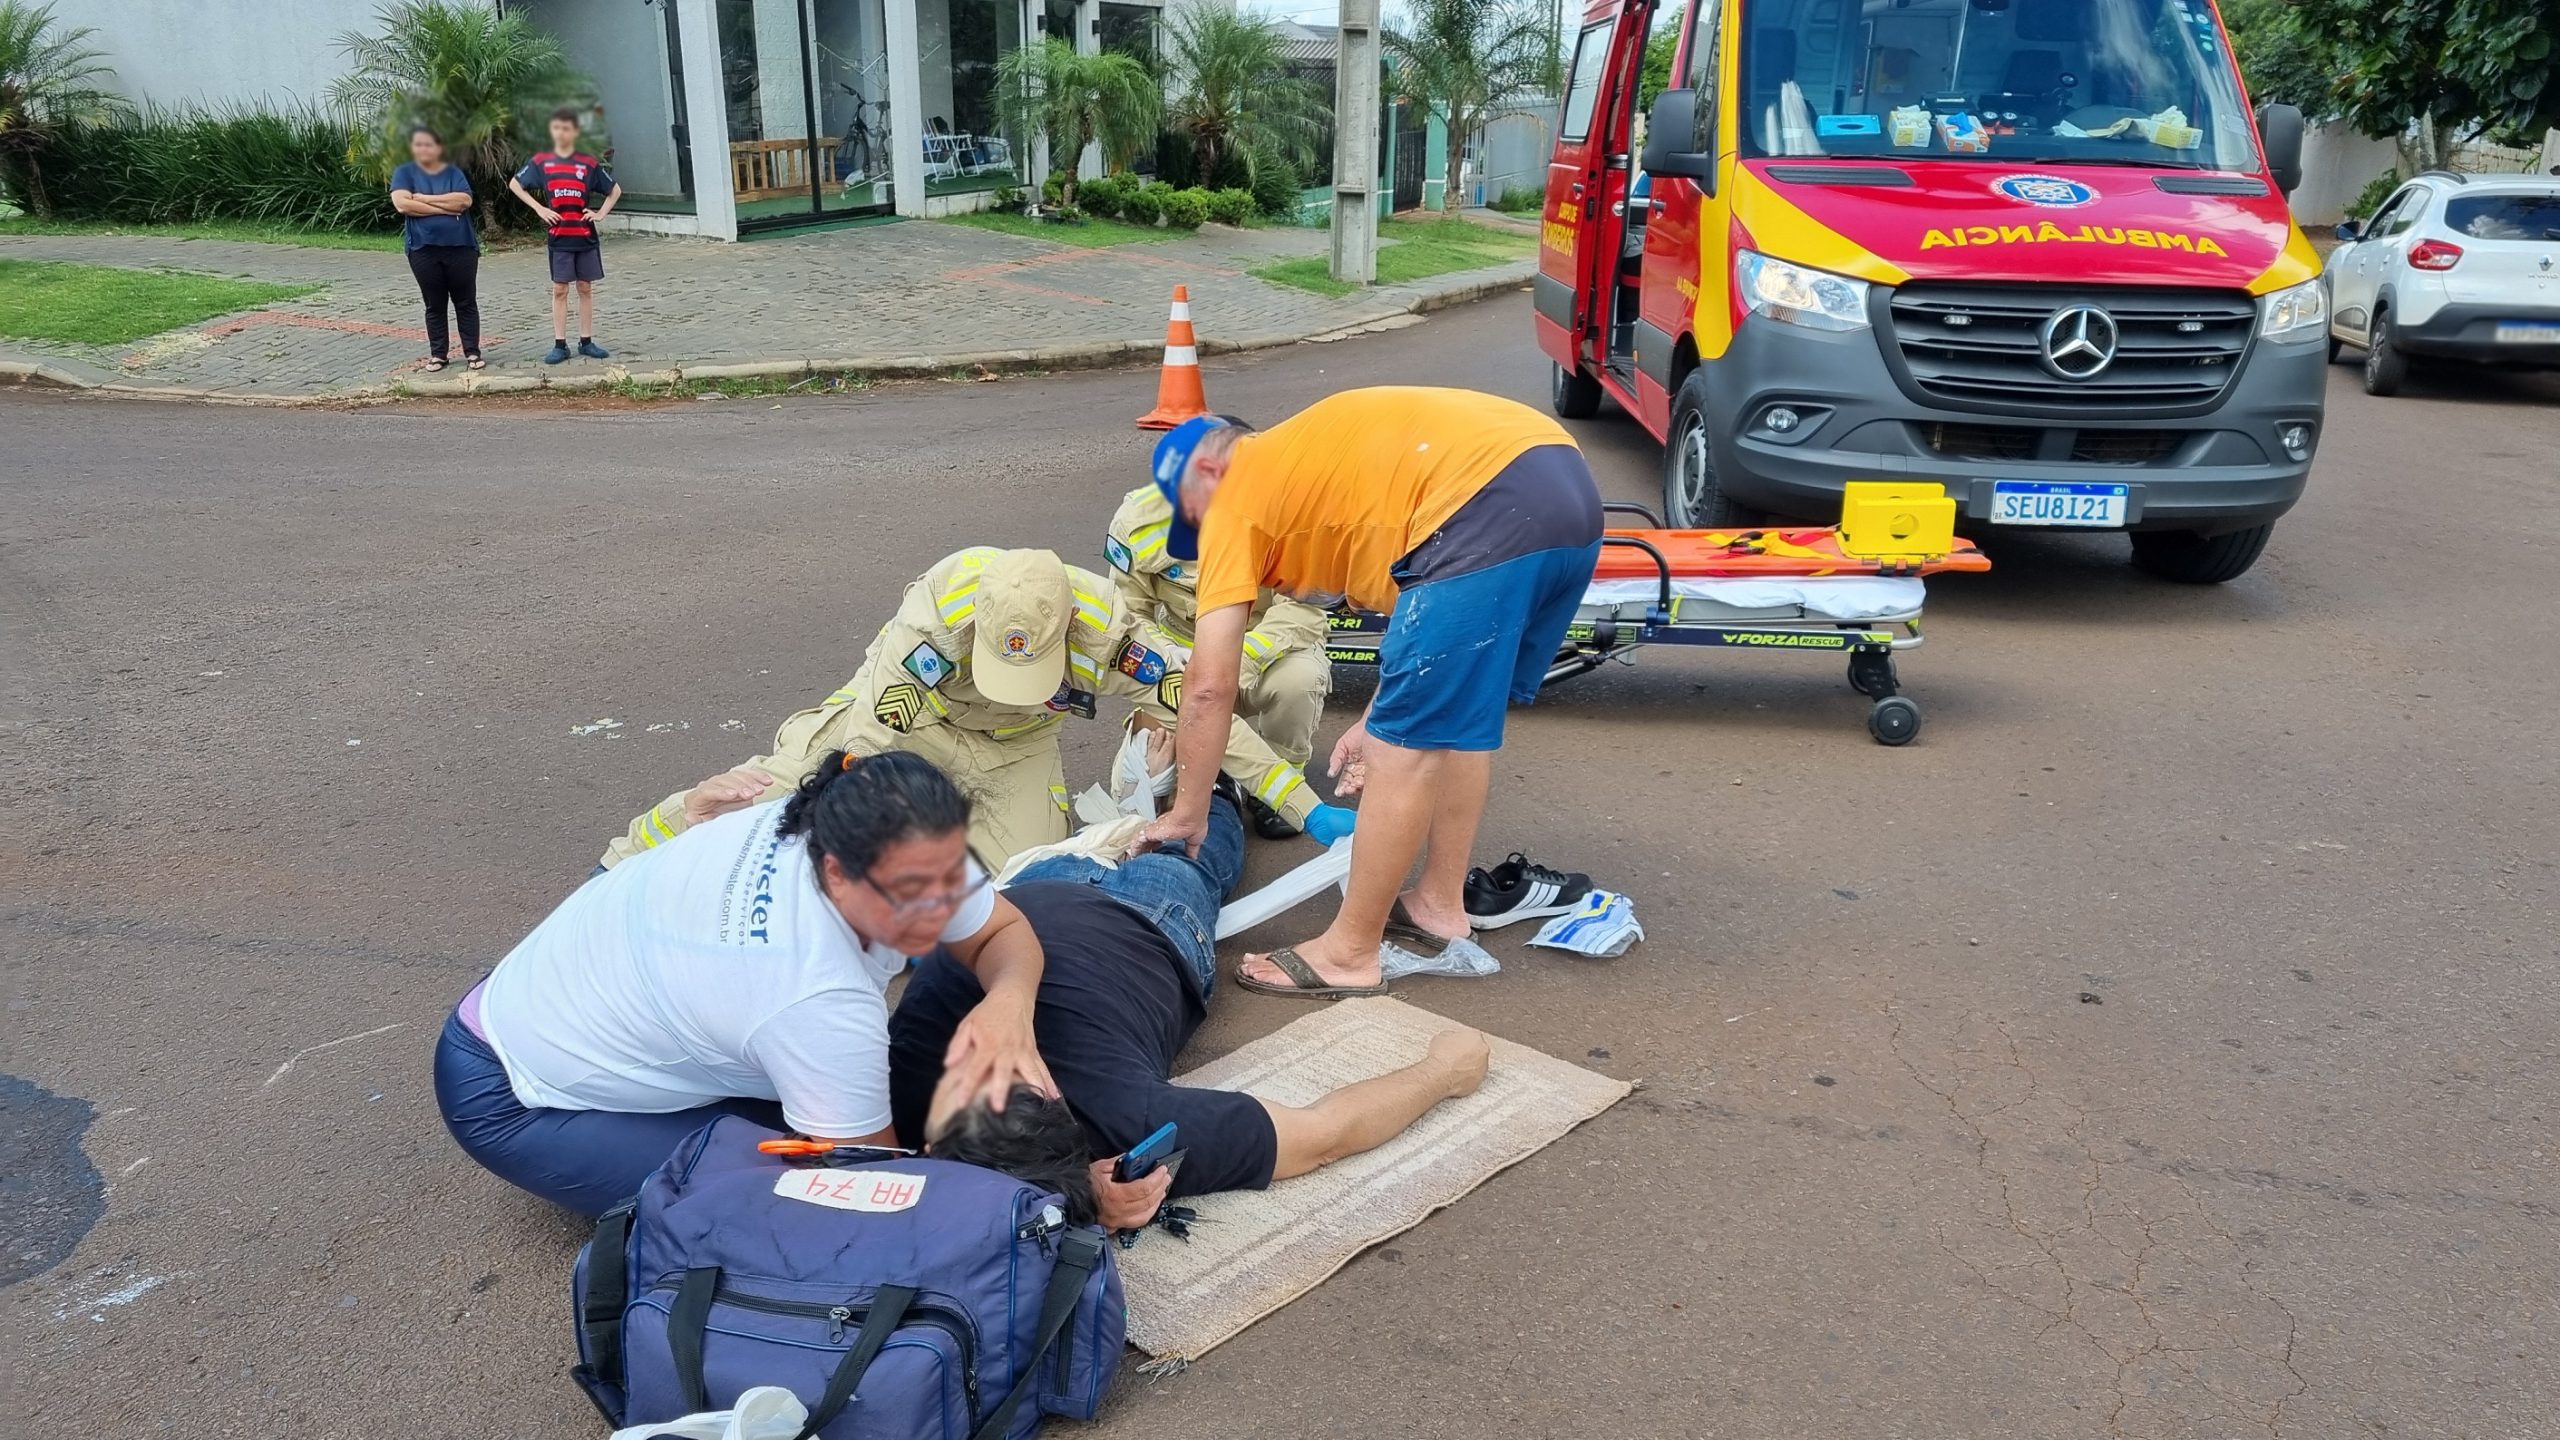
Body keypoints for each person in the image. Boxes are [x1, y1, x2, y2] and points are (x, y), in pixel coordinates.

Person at [435, 751, 1055, 1217]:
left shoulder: (834, 822)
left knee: (893, 1106)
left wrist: (1008, 1003)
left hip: (572, 993)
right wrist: (1047, 1208)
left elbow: (1003, 932)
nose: (939, 910)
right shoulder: (813, 994)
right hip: (514, 1094)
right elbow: (874, 1191)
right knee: (804, 1204)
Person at [1137, 388, 1605, 998]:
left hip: (1485, 505)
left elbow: (1206, 685)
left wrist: (1189, 811)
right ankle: (1438, 905)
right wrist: (1377, 713)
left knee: (1401, 751)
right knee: (1451, 724)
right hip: (1562, 488)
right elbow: (1426, 641)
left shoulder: (1231, 499)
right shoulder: (1317, 465)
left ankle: (1349, 954)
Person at [890, 778, 1491, 1230]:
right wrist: (1442, 1075)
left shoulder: (896, 1093)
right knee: (1186, 850)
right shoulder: (1124, 1120)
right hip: (1075, 906)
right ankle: (1215, 789)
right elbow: (1325, 1134)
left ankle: (1198, 787)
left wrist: (1447, 1071)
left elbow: (1328, 1133)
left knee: (1178, 841)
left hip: (1061, 908)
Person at [598, 546, 1349, 874]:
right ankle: (630, 855)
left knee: (1029, 884)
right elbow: (870, 733)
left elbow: (1204, 708)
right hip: (919, 727)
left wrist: (1299, 800)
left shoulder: (1110, 634)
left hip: (1018, 748)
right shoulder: (937, 617)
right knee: (773, 801)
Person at [1106, 478, 1332, 837]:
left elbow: (1304, 612)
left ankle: (1281, 778)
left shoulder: (1288, 514)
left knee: (1299, 681)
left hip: (1266, 648)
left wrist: (1234, 661)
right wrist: (1166, 655)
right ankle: (1212, 771)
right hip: (1181, 653)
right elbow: (1127, 612)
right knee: (1142, 774)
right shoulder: (1136, 520)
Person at [508, 107, 621, 365]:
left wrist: (600, 213)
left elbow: (614, 191)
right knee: (560, 289)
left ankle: (586, 341)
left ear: (576, 132)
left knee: (585, 287)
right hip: (559, 238)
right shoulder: (542, 161)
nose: (561, 133)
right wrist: (539, 208)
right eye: (556, 128)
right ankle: (560, 344)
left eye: (566, 128)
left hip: (584, 236)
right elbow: (515, 184)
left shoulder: (588, 162)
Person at [388, 125, 481, 372]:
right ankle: (439, 354)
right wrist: (444, 208)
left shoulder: (453, 172)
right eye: (418, 144)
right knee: (434, 303)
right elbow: (402, 205)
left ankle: (472, 352)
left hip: (461, 247)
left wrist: (424, 199)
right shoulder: (404, 173)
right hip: (423, 249)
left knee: (465, 301)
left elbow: (464, 201)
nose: (423, 149)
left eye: (428, 144)